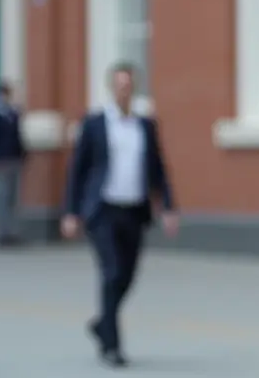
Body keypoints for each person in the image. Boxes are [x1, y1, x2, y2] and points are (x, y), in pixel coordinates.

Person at [61, 62, 178, 367]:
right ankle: (112, 345)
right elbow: (77, 170)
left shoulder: (145, 126)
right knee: (111, 272)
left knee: (127, 275)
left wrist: (168, 206)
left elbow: (158, 169)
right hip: (102, 211)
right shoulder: (95, 124)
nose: (124, 90)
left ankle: (102, 323)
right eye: (119, 85)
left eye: (129, 85)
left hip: (134, 211)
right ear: (111, 88)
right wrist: (71, 212)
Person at [0, 81, 27, 247]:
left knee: (13, 197)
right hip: (2, 160)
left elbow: (18, 137)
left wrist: (23, 155)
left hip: (14, 158)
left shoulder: (14, 114)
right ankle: (1, 232)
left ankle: (12, 231)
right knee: (3, 196)